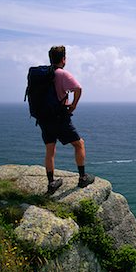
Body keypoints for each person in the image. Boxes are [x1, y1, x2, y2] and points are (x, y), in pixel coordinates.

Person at [40, 45, 95, 194]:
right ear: (63, 59)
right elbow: (78, 89)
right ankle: (82, 177)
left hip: (44, 117)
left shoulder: (42, 74)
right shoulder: (62, 74)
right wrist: (73, 106)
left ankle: (51, 183)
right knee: (79, 144)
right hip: (59, 117)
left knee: (50, 149)